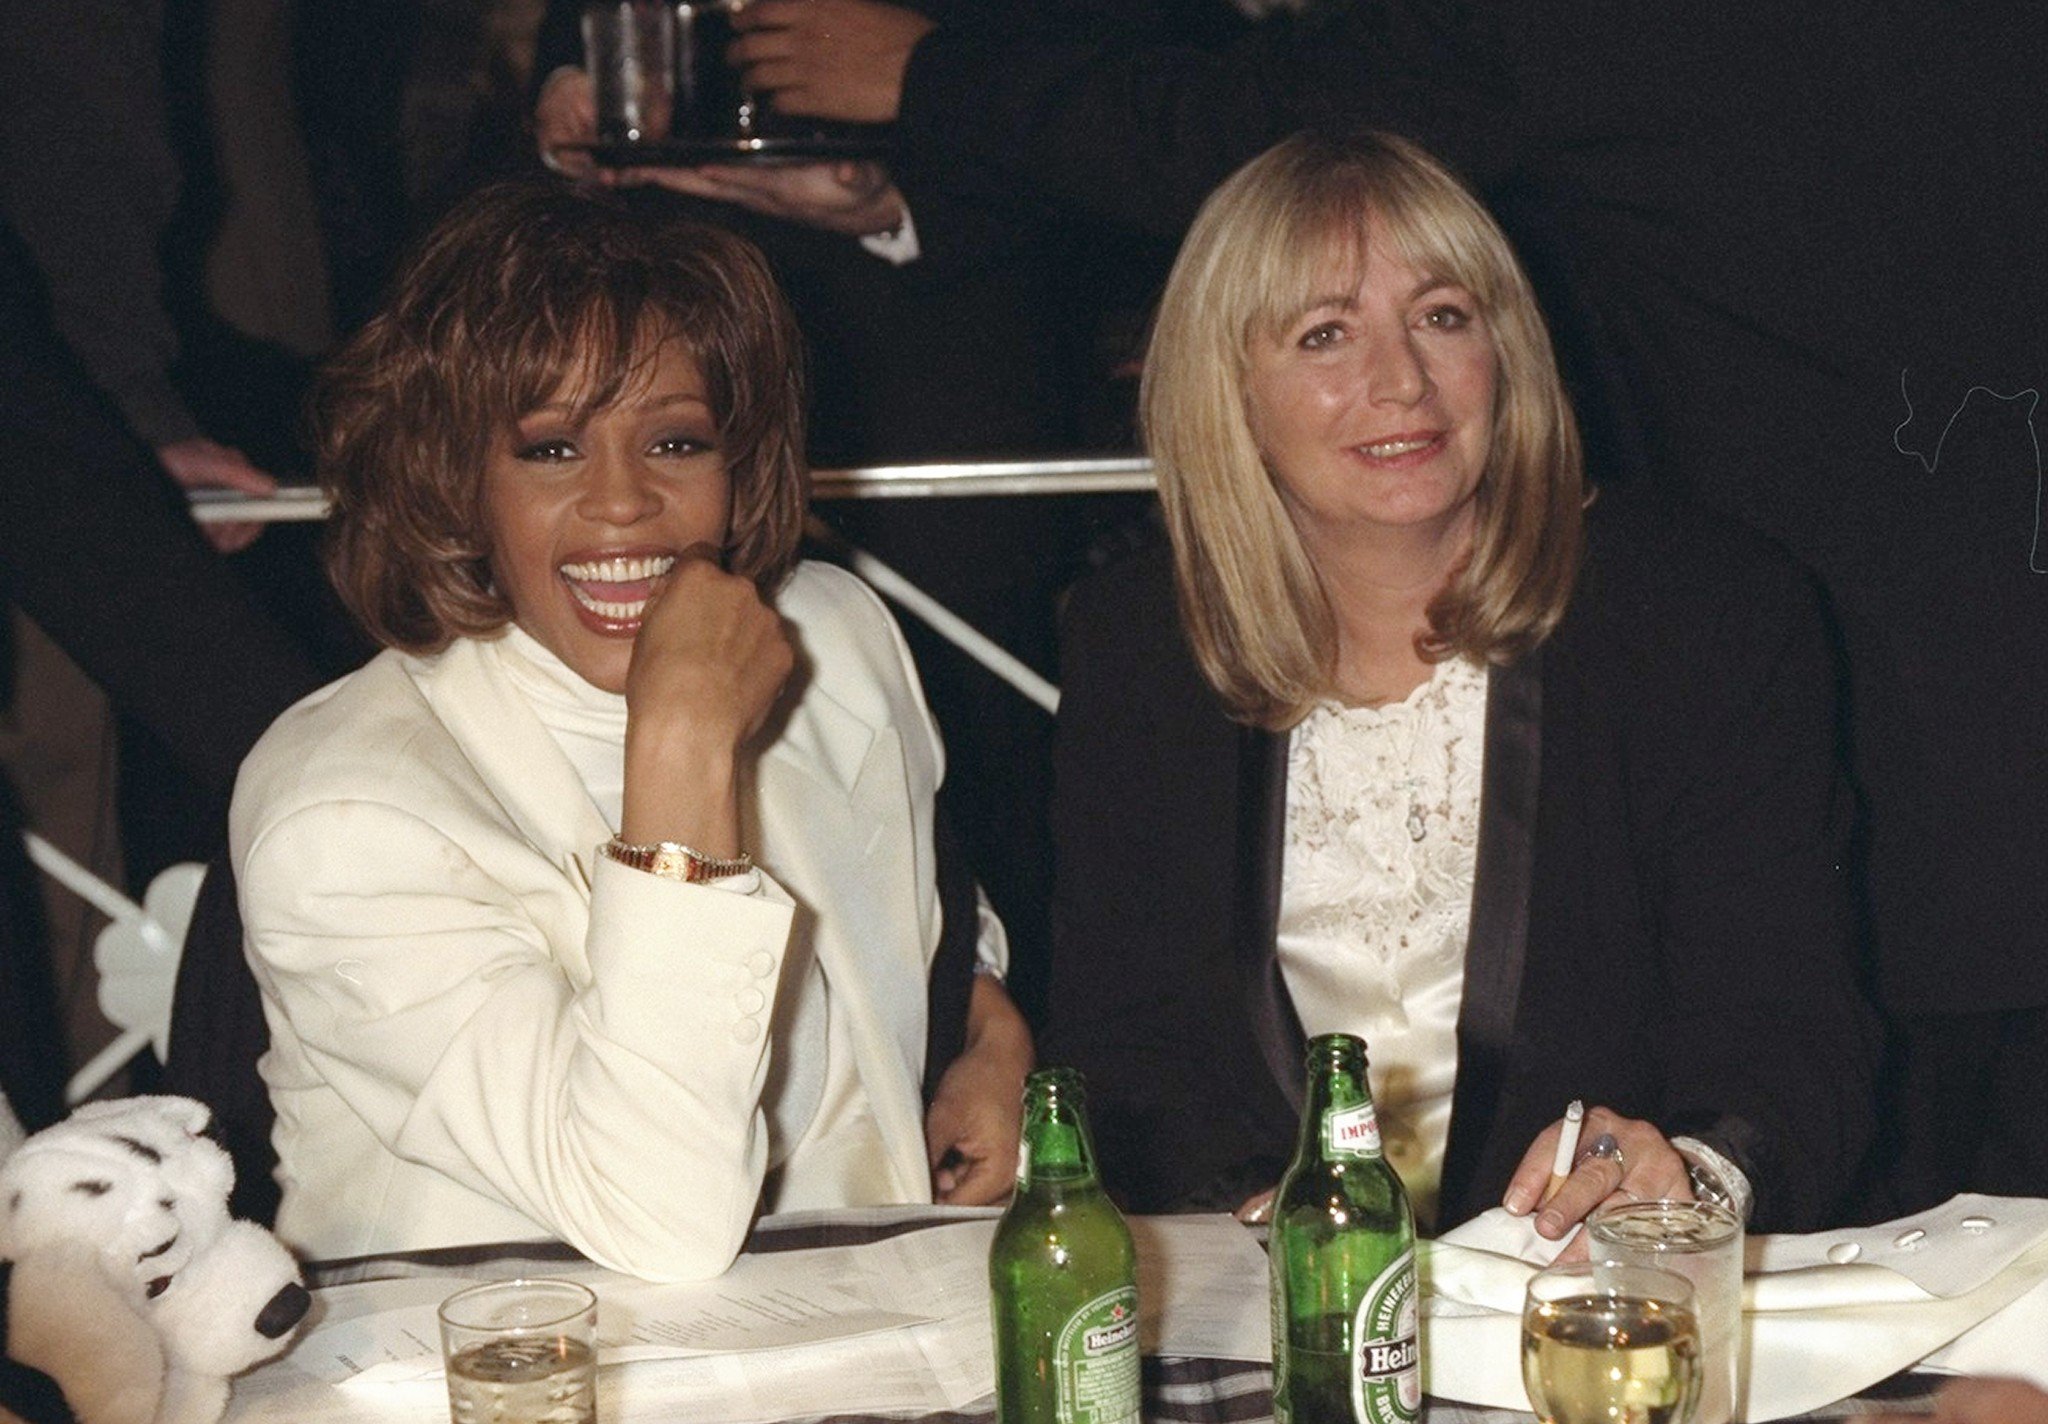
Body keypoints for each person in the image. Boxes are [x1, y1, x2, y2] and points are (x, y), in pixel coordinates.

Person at [1048, 131, 1877, 1240]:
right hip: (1279, 1325)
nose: (1401, 381)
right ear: (1226, 390)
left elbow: (1790, 1030)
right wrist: (1264, 1223)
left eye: (1442, 316)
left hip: (1606, 1307)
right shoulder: (1137, 643)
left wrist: (1686, 1176)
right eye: (1324, 334)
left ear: (1506, 349)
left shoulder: (1701, 612)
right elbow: (1122, 1047)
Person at [229, 179, 1033, 1281]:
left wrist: (987, 1026)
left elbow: (919, 887)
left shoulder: (833, 633)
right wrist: (680, 749)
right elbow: (660, 1219)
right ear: (454, 478)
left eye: (675, 441)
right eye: (551, 449)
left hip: (871, 1336)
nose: (622, 503)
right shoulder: (344, 813)